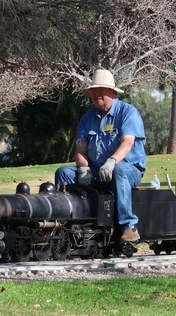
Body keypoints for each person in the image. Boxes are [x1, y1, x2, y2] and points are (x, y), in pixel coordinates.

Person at [55, 69, 147, 243]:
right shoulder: (87, 118)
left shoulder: (128, 112)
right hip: (96, 170)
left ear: (112, 92)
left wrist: (112, 162)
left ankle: (128, 226)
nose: (96, 93)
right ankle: (63, 224)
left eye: (101, 90)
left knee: (119, 170)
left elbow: (127, 143)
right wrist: (83, 169)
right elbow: (81, 149)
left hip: (128, 169)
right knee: (64, 173)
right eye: (93, 90)